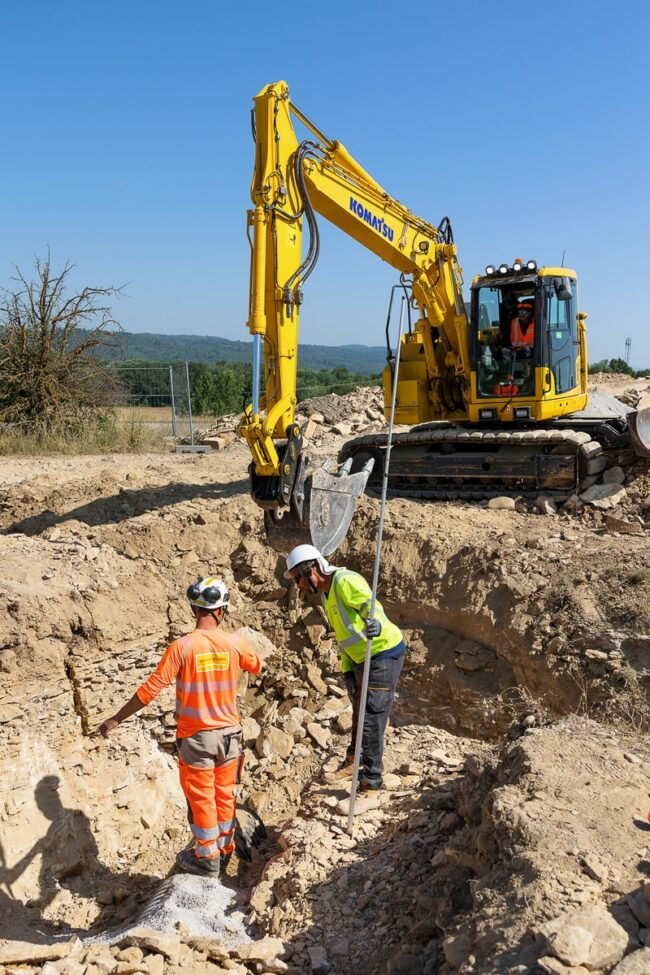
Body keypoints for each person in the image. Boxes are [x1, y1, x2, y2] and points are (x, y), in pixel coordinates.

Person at [98, 576, 262, 878]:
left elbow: (150, 689)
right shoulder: (235, 642)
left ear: (194, 609)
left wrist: (116, 718)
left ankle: (207, 860)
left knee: (201, 800)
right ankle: (224, 851)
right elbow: (256, 665)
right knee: (225, 794)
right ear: (220, 610)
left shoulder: (182, 647)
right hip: (230, 737)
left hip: (197, 739)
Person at [284, 544, 406, 799]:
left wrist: (375, 623)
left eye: (298, 579)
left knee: (371, 717)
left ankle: (371, 783)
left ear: (313, 569)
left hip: (382, 652)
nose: (299, 586)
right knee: (360, 713)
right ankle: (355, 761)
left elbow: (369, 607)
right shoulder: (328, 595)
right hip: (360, 659)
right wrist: (348, 670)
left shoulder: (344, 581)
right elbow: (346, 637)